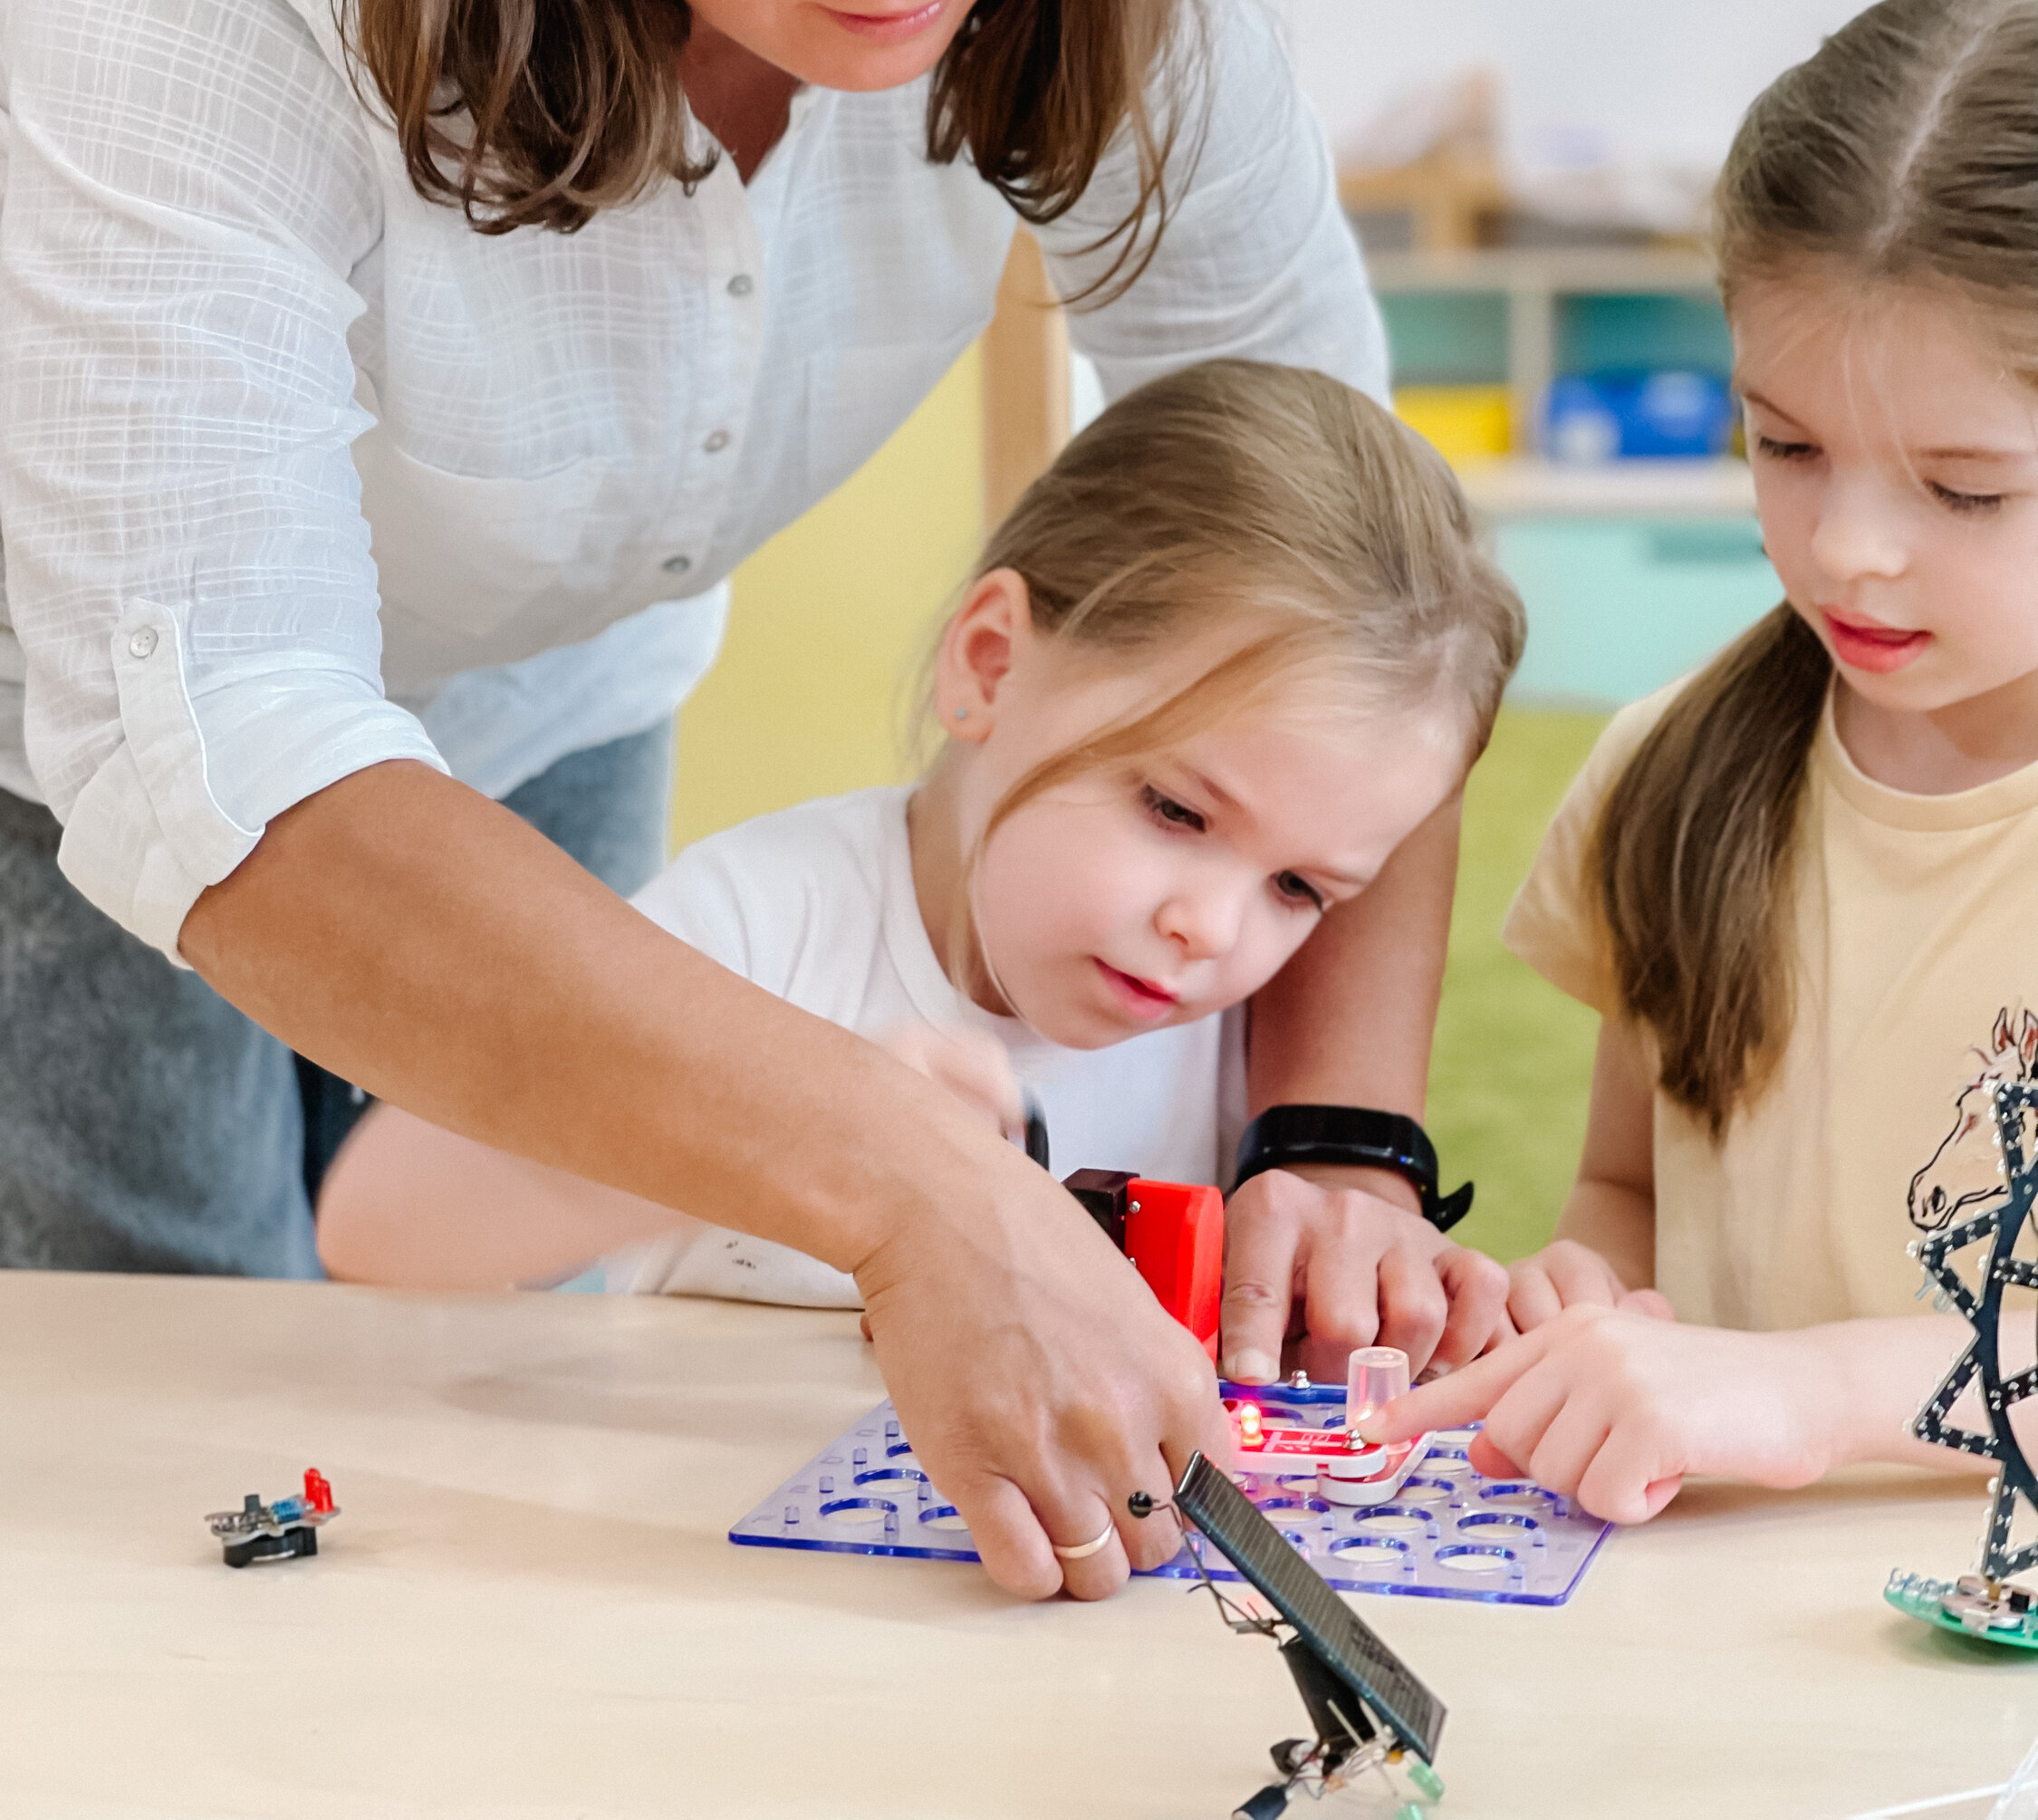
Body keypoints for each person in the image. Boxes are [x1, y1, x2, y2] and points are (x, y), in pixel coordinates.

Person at [0, 0, 1471, 1599]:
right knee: (174, 1447)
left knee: (519, 1411)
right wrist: (902, 1185)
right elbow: (216, 741)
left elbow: (1349, 539)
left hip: (554, 664)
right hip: (67, 721)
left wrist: (1342, 1129)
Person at [315, 361, 1524, 1326]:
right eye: (1173, 811)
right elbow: (378, 1226)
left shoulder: (1256, 1044)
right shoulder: (760, 922)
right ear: (989, 663)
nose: (1212, 930)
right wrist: (797, 1123)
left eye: (1299, 887)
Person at [1383, 0, 2038, 1523]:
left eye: (1963, 489)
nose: (1848, 551)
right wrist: (1590, 1309)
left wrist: (1812, 1390)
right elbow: (1626, 1191)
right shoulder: (1676, 772)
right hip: (1722, 1655)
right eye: (1786, 444)